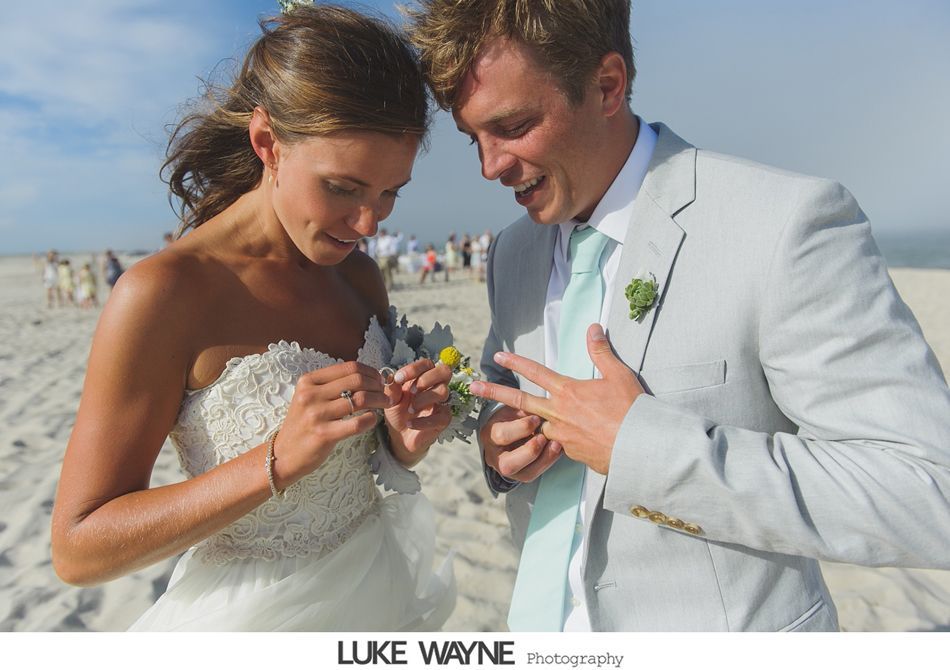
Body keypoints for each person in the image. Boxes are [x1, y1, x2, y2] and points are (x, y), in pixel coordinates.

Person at [406, 0, 950, 632]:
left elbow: (928, 493)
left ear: (608, 85)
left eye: (515, 125)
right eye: (474, 138)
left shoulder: (784, 225)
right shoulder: (510, 254)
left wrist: (643, 450)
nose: (489, 166)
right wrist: (498, 453)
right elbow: (511, 428)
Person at [52, 5, 455, 632]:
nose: (370, 224)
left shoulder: (359, 277)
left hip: (378, 591)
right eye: (343, 189)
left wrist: (401, 443)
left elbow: (360, 465)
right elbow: (78, 548)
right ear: (268, 143)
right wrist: (274, 459)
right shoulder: (164, 293)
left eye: (389, 193)